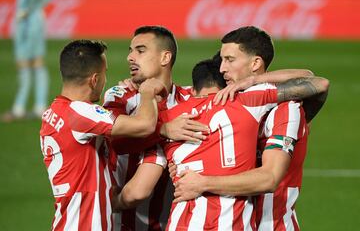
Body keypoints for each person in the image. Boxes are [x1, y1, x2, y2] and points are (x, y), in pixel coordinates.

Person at [113, 53, 329, 230]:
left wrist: (151, 105)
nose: (225, 68)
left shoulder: (173, 117)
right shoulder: (250, 102)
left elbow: (133, 175)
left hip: (191, 223)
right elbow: (317, 83)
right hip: (239, 221)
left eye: (230, 60)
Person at [170, 26, 329, 230]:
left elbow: (316, 82)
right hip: (235, 222)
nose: (222, 68)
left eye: (230, 60)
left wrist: (202, 183)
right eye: (222, 60)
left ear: (255, 63)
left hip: (273, 225)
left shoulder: (285, 109)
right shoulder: (232, 105)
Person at [39, 39, 166, 230]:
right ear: (94, 79)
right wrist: (147, 93)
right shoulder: (80, 113)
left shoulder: (54, 112)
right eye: (105, 74)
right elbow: (145, 125)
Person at [103, 25, 209, 231]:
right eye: (130, 51)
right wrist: (164, 130)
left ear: (165, 58)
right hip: (120, 222)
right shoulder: (119, 96)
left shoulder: (190, 100)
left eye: (140, 51)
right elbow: (116, 142)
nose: (130, 57)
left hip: (173, 223)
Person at [2, 0, 53, 122]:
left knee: (29, 63)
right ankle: (37, 106)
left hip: (29, 21)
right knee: (34, 63)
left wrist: (28, 9)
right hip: (28, 19)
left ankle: (20, 108)